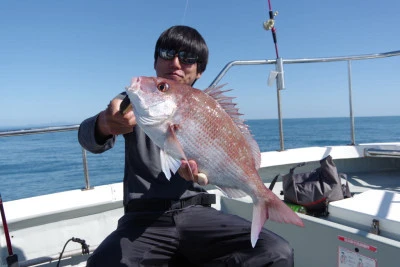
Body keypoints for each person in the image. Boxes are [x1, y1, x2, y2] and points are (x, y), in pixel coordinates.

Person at [78, 25, 294, 267]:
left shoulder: (209, 108)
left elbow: (217, 159)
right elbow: (87, 139)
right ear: (156, 60)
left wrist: (211, 173)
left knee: (277, 252)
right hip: (143, 219)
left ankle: (261, 200)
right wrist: (104, 124)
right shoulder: (131, 103)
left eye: (188, 58)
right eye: (168, 53)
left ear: (199, 71)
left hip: (197, 212)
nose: (177, 63)